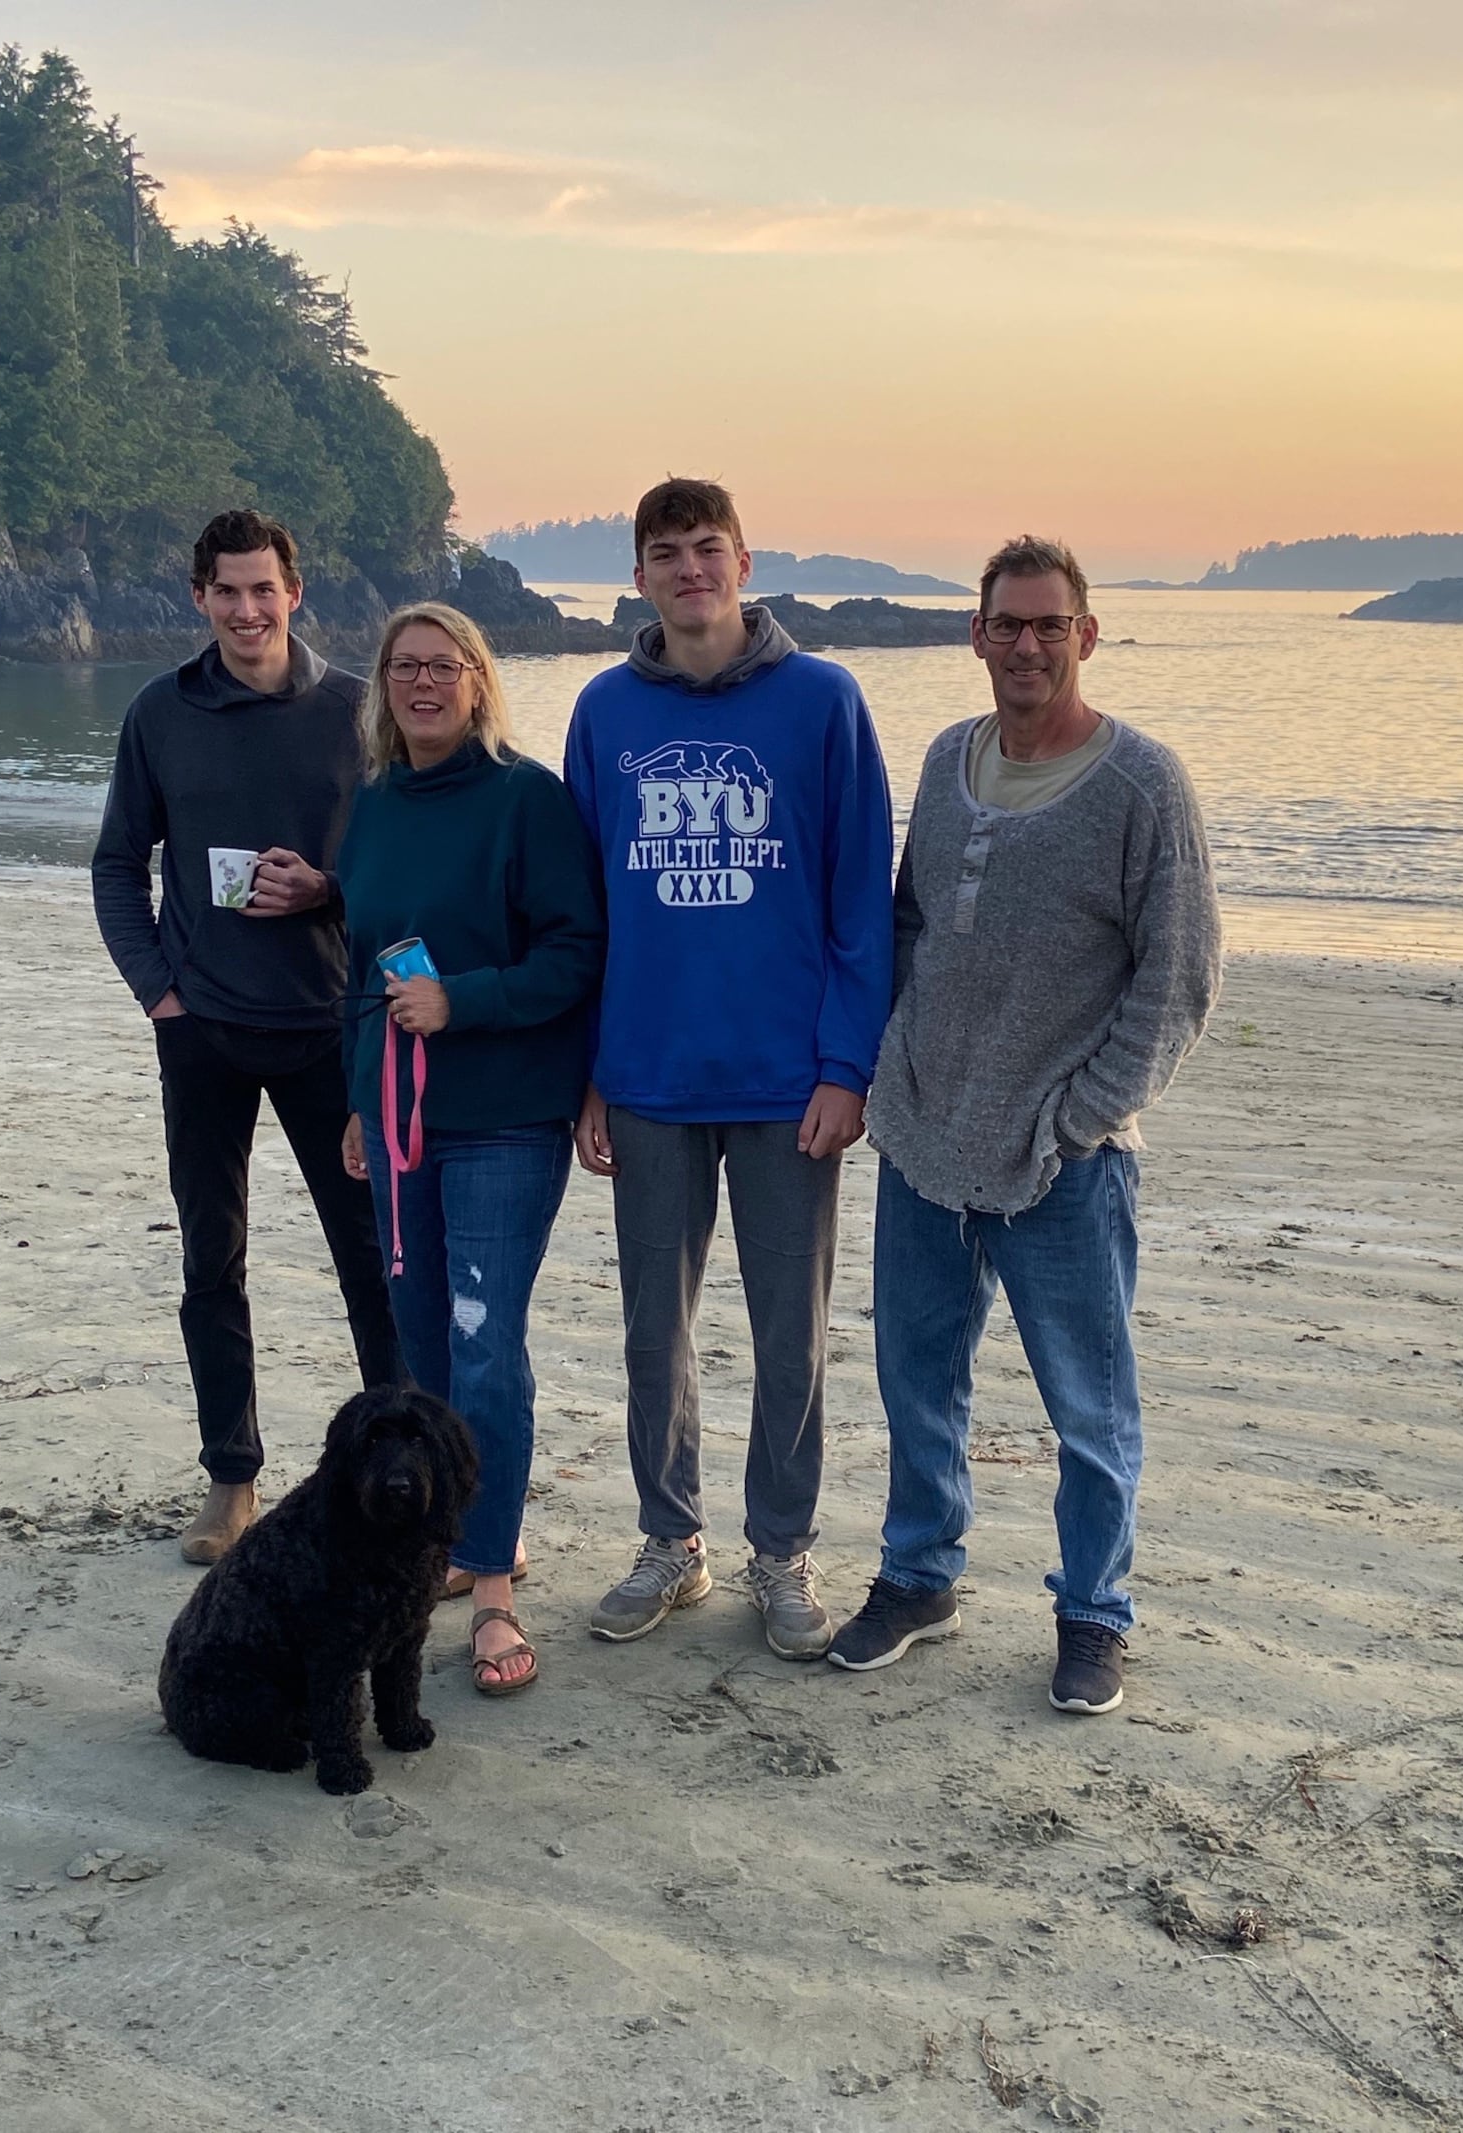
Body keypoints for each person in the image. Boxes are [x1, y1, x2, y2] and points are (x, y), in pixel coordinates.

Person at [827, 534, 1222, 1713]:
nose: (1029, 644)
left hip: (1063, 1164)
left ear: (1085, 636)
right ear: (977, 635)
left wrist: (1084, 1118)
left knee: (1088, 1406)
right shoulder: (949, 758)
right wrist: (894, 1068)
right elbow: (908, 926)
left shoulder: (1141, 783)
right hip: (922, 1138)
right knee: (916, 1383)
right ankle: (917, 1575)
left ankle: (1093, 1611)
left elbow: (1181, 975)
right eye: (1009, 624)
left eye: (1051, 625)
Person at [564, 477, 894, 1659]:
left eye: (709, 548)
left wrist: (845, 1067)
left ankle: (782, 1552)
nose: (689, 569)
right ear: (641, 576)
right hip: (647, 1077)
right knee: (656, 1330)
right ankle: (672, 1542)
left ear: (744, 563)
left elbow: (862, 902)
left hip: (784, 1085)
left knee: (786, 1335)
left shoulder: (822, 701)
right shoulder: (604, 711)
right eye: (666, 552)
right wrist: (588, 1074)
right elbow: (584, 908)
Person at [92, 509, 404, 1566]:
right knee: (210, 1260)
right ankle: (232, 1478)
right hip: (204, 1031)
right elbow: (116, 863)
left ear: (295, 593)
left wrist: (328, 891)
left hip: (330, 1029)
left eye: (263, 589)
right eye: (225, 590)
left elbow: (405, 871)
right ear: (198, 598)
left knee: (371, 1261)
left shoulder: (354, 710)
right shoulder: (161, 712)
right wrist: (158, 993)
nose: (245, 608)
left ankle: (387, 1476)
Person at [338, 604, 604, 1694]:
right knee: (421, 1353)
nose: (422, 684)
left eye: (443, 666)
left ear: (478, 682)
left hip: (504, 1118)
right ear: (382, 687)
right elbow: (364, 979)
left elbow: (577, 953)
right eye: (403, 667)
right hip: (399, 1127)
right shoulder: (370, 809)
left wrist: (466, 1002)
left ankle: (492, 1589)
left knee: (485, 1346)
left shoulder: (526, 800)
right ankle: (452, 1541)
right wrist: (362, 1101)